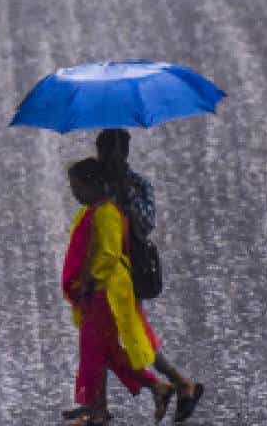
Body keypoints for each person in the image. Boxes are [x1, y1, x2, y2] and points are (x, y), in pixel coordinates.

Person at [93, 129, 205, 422]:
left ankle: (175, 384)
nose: (106, 157)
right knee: (107, 335)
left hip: (130, 270)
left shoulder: (138, 184)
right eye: (102, 150)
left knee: (129, 335)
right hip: (105, 267)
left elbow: (146, 225)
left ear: (125, 154)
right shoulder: (98, 182)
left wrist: (124, 194)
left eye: (112, 152)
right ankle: (175, 385)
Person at [61, 156, 172, 425]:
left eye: (77, 188)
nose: (75, 194)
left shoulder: (107, 213)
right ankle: (141, 393)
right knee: (104, 352)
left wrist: (90, 278)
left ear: (93, 184)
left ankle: (98, 410)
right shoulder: (97, 210)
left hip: (103, 294)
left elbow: (109, 253)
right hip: (97, 294)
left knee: (95, 353)